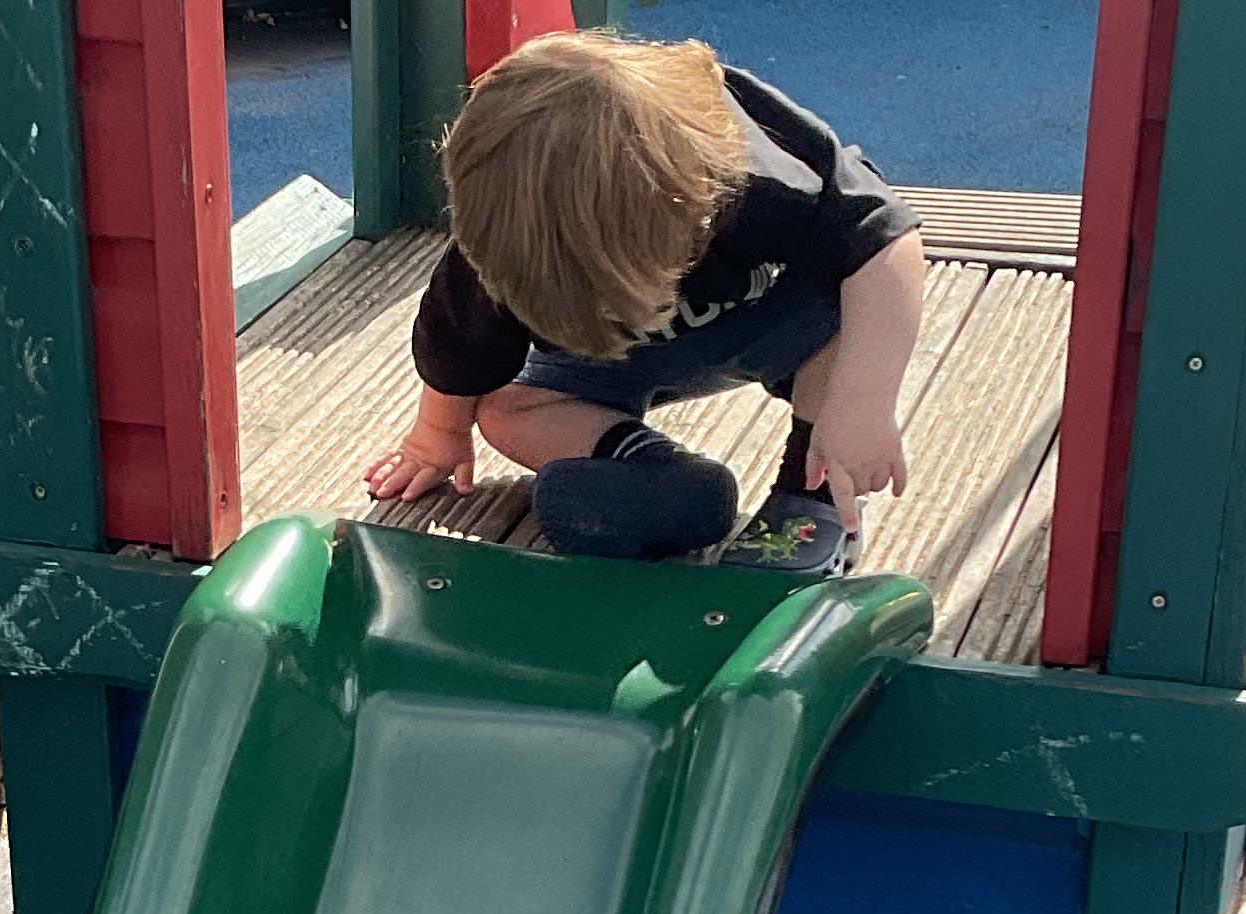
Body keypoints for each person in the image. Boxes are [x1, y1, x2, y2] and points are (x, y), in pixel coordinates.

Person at [362, 36, 925, 582]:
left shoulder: (759, 176)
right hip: (620, 351)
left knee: (850, 312)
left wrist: (862, 405)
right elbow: (459, 349)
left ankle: (813, 490)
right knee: (506, 410)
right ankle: (660, 473)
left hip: (770, 318)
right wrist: (437, 434)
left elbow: (885, 241)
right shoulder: (509, 240)